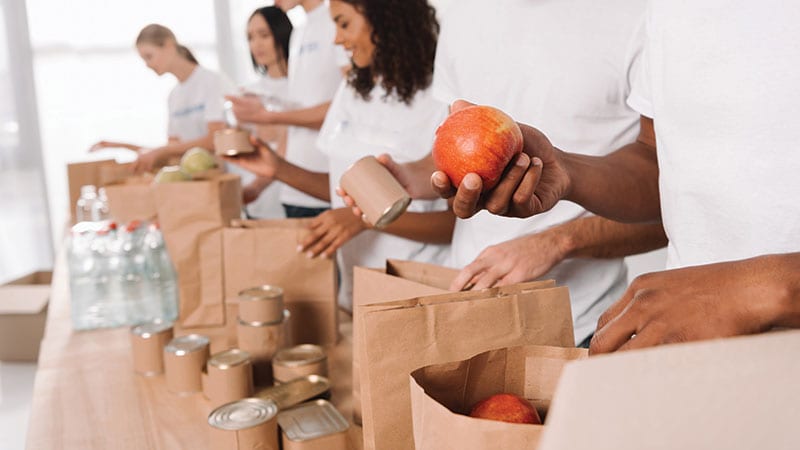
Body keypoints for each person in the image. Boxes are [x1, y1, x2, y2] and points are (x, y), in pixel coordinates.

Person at [429, 2, 800, 354]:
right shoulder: (668, 8)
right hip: (693, 356)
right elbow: (658, 163)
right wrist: (565, 170)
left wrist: (754, 291)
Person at [339, 0, 667, 346]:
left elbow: (665, 204)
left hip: (583, 323)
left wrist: (557, 242)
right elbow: (459, 146)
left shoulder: (641, 15)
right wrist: (412, 177)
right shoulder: (462, 14)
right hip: (470, 308)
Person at [227, 0, 453, 309]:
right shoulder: (351, 89)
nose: (336, 39)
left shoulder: (441, 99)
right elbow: (341, 190)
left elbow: (454, 225)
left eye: (344, 24)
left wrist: (367, 219)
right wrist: (277, 168)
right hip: (357, 290)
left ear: (386, 19)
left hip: (417, 295)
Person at [226, 0, 349, 218]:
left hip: (330, 187)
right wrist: (259, 185)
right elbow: (291, 132)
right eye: (251, 37)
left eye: (264, 34)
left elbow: (349, 107)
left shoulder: (337, 22)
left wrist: (268, 117)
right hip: (293, 191)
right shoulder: (300, 32)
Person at [90, 24, 231, 173]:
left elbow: (216, 140)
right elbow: (172, 151)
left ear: (169, 45)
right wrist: (122, 146)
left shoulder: (212, 82)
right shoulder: (174, 96)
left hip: (221, 177)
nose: (147, 65)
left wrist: (160, 151)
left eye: (149, 56)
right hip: (194, 181)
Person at [229, 6, 293, 219]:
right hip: (255, 205)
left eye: (264, 35)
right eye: (250, 37)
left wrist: (256, 187)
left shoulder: (299, 90)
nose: (256, 44)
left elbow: (285, 152)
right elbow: (239, 150)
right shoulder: (248, 93)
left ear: (282, 33)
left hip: (293, 199)